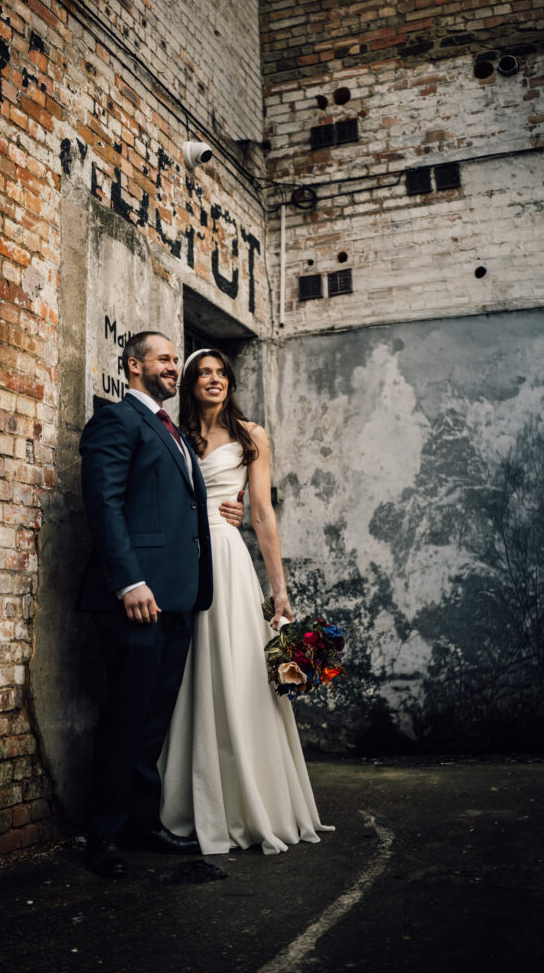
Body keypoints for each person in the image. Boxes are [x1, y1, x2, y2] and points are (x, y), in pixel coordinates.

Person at [78, 332, 244, 877]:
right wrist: (129, 583)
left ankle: (142, 825)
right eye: (166, 359)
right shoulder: (117, 421)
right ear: (134, 365)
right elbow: (103, 505)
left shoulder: (171, 429)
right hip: (135, 599)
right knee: (126, 718)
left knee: (153, 721)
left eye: (177, 360)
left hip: (177, 597)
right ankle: (103, 837)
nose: (175, 367)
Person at [159, 348, 334, 855]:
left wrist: (279, 592)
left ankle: (247, 804)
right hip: (183, 562)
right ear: (189, 385)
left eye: (221, 374)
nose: (213, 380)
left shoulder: (250, 436)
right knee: (189, 674)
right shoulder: (175, 434)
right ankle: (193, 801)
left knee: (238, 674)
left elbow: (260, 513)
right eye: (203, 374)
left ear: (230, 383)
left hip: (229, 562)